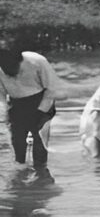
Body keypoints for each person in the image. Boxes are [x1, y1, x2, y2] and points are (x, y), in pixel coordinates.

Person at [0, 39, 58, 169]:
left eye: (11, 66)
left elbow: (52, 88)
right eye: (4, 67)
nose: (8, 71)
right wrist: (4, 116)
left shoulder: (37, 61)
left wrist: (41, 112)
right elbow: (1, 97)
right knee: (18, 147)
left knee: (40, 147)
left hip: (41, 102)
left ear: (19, 60)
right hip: (16, 105)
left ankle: (41, 177)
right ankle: (19, 179)